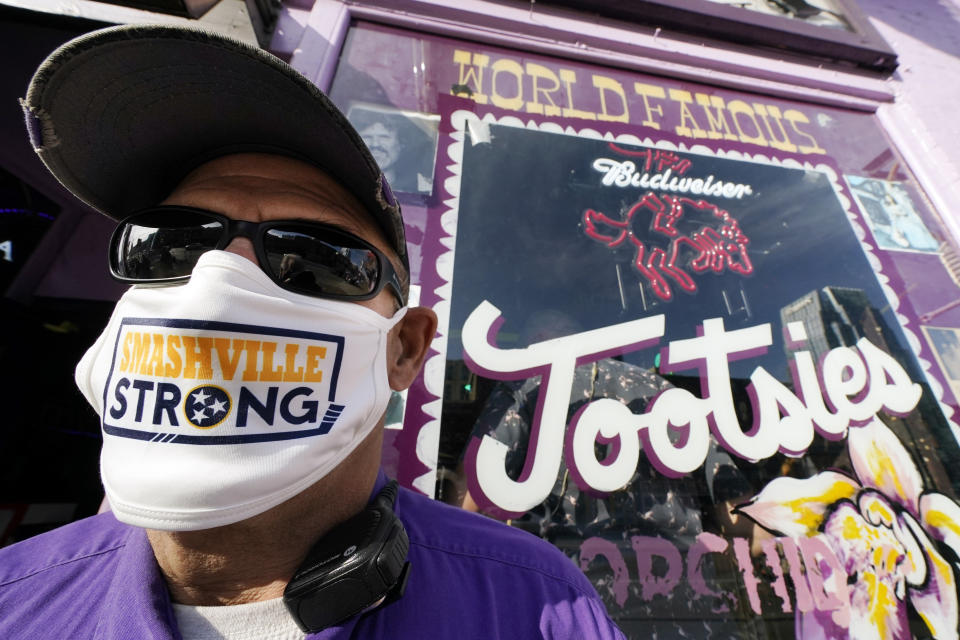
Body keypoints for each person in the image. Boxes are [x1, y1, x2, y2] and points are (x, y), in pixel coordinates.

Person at [0, 25, 624, 639]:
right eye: (170, 245)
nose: (220, 281)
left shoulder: (535, 608)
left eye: (316, 259)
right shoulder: (14, 598)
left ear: (404, 348)